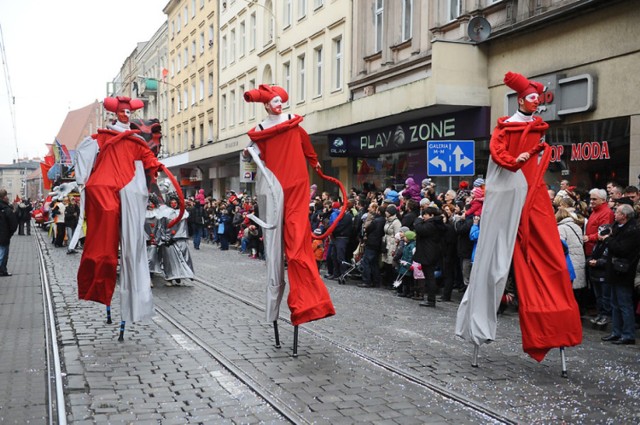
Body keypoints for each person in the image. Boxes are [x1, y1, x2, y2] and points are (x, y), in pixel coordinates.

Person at [456, 71, 582, 362]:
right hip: (507, 191)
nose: (535, 103)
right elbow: (498, 152)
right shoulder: (506, 127)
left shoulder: (537, 128)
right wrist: (515, 161)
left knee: (547, 257)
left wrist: (533, 156)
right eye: (531, 98)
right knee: (491, 261)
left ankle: (553, 329)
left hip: (532, 193)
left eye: (537, 99)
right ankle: (477, 326)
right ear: (522, 100)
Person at [75, 96, 183, 324]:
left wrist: (157, 165)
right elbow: (85, 161)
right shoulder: (102, 138)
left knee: (134, 249)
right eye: (122, 111)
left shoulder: (136, 142)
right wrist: (83, 183)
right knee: (103, 248)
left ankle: (134, 304)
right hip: (105, 189)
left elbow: (149, 159)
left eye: (127, 112)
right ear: (116, 113)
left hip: (129, 192)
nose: (125, 115)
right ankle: (99, 291)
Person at [243, 84, 335, 326]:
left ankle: (309, 302)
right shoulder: (262, 131)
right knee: (273, 250)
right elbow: (254, 152)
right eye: (273, 101)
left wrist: (317, 167)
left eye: (279, 100)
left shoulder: (294, 126)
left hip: (295, 186)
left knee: (297, 243)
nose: (278, 104)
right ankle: (274, 309)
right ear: (265, 105)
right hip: (274, 188)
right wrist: (247, 153)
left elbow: (308, 149)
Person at [600, 204, 640, 345]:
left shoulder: (633, 230)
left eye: (617, 212)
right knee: (615, 303)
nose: (614, 214)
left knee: (624, 303)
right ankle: (616, 332)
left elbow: (621, 249)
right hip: (614, 270)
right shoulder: (617, 227)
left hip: (624, 271)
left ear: (624, 215)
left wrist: (607, 239)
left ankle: (628, 334)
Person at [413, 206, 445, 307]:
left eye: (425, 215)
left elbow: (419, 229)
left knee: (430, 277)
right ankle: (430, 298)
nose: (424, 217)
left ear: (431, 215)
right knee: (429, 276)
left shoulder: (431, 225)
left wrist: (418, 220)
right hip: (431, 252)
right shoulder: (435, 224)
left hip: (429, 253)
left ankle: (431, 300)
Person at [0, 189, 18, 276]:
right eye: (6, 196)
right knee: (3, 253)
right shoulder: (6, 209)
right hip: (4, 235)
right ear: (3, 198)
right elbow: (13, 223)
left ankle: (3, 270)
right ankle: (2, 270)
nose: (7, 197)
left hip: (4, 234)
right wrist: (10, 233)